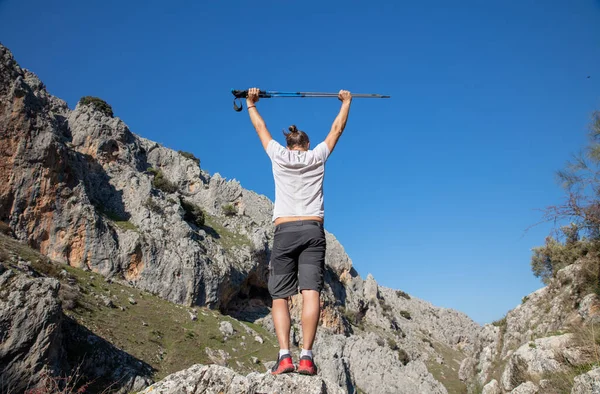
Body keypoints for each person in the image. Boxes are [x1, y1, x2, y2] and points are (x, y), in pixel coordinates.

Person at [245, 87, 353, 375]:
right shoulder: (317, 156)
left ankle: (284, 357)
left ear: (289, 143)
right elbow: (337, 128)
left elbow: (260, 127)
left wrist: (251, 103)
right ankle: (306, 356)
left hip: (285, 231)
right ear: (306, 144)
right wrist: (346, 102)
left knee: (280, 296)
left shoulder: (279, 155)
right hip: (313, 230)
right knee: (310, 293)